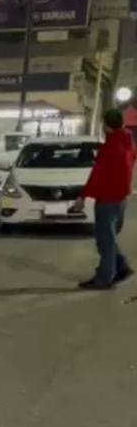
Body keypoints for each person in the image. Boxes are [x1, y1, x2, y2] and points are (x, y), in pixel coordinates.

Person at [72, 108, 135, 290]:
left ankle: (104, 278)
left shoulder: (111, 148)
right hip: (120, 198)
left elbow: (97, 176)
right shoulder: (127, 143)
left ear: (106, 125)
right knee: (109, 237)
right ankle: (121, 267)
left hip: (107, 199)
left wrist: (83, 196)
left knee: (105, 241)